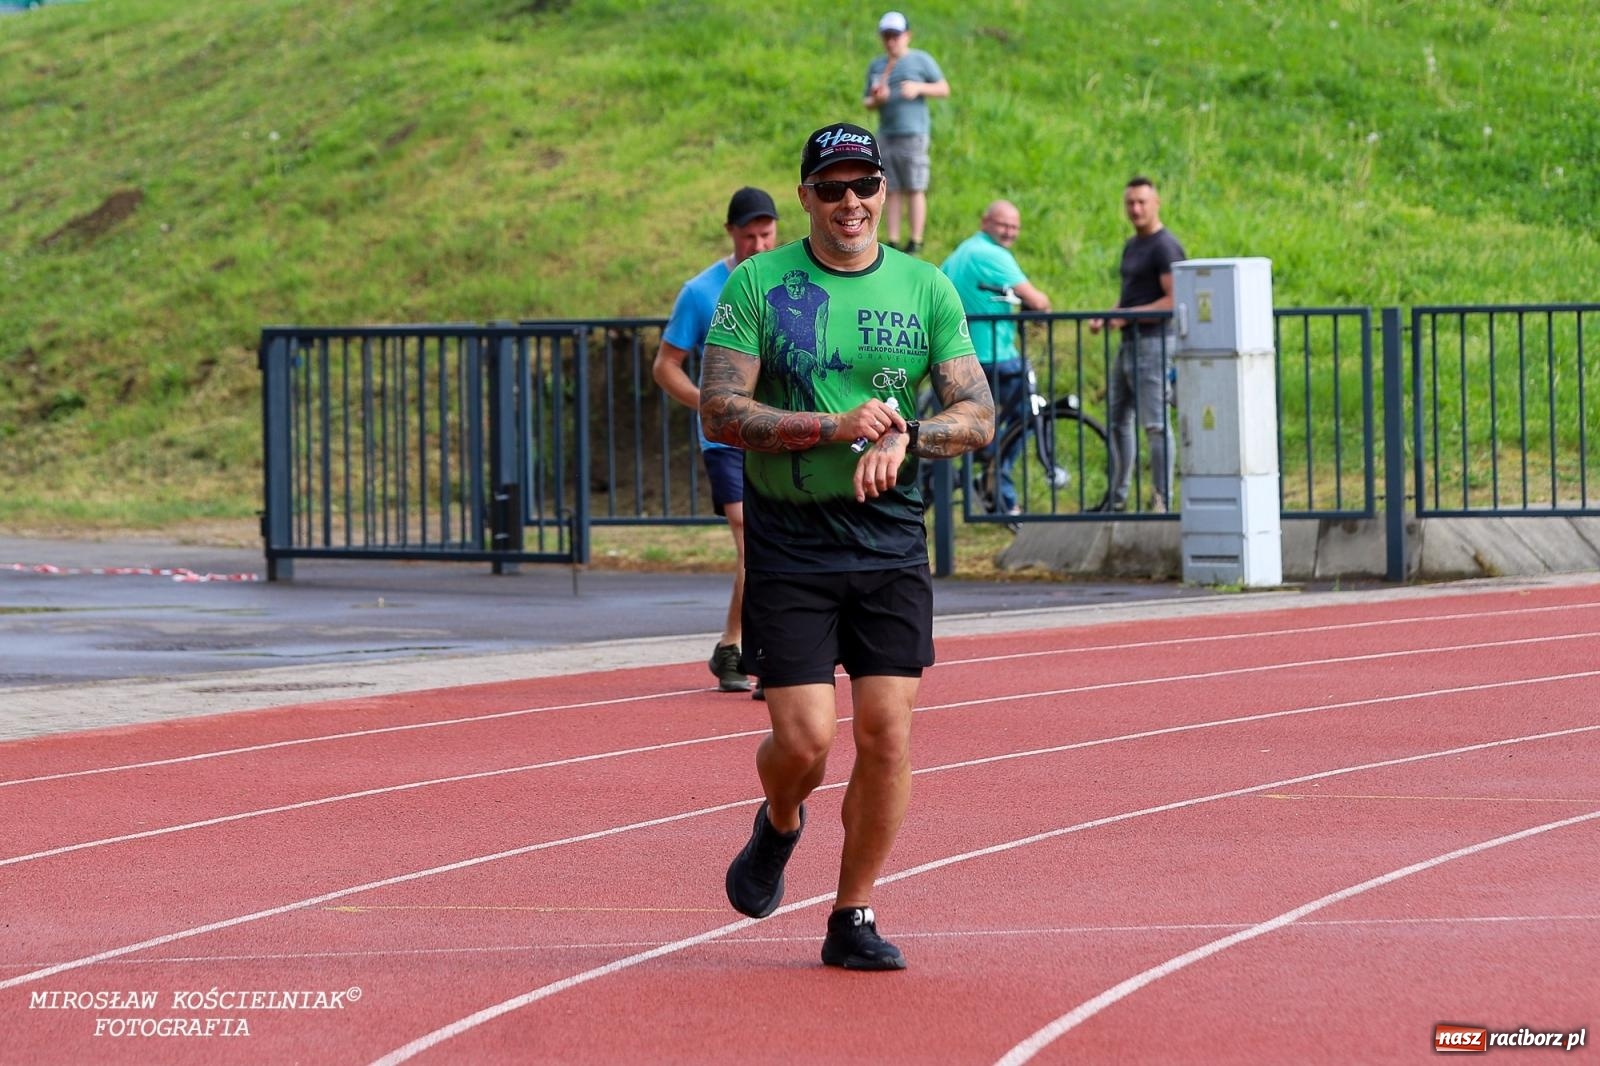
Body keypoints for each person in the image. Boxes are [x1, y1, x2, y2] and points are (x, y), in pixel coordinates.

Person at [699, 121, 993, 971]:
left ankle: (852, 913)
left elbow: (975, 415)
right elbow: (720, 410)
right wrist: (834, 426)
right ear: (806, 198)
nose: (852, 202)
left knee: (887, 733)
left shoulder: (926, 286)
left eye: (865, 185)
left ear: (883, 194)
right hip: (791, 541)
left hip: (890, 540)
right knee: (803, 741)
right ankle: (780, 821)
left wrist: (913, 435)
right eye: (832, 188)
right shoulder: (758, 282)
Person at [652, 187, 780, 694]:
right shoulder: (701, 292)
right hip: (728, 441)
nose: (758, 245)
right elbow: (666, 366)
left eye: (767, 234)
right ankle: (767, 656)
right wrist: (710, 406)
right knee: (753, 536)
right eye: (748, 235)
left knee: (772, 544)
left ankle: (734, 645)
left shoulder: (789, 282)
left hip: (778, 435)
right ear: (731, 232)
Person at [940, 200, 1052, 515]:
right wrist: (1041, 306)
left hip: (962, 355)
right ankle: (993, 470)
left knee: (989, 421)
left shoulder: (960, 253)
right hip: (993, 355)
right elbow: (1038, 300)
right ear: (985, 221)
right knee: (1031, 413)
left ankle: (988, 464)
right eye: (1003, 225)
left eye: (1015, 227)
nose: (1009, 232)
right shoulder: (992, 254)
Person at [1089, 176, 1187, 512]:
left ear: (1156, 203)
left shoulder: (1165, 246)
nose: (1135, 209)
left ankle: (1163, 497)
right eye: (1130, 202)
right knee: (1117, 419)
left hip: (1156, 343)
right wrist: (1108, 316)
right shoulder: (1132, 246)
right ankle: (1117, 497)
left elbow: (1173, 301)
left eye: (1142, 202)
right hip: (1128, 343)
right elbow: (1130, 296)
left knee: (1155, 424)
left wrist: (1127, 315)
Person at [861, 11, 949, 256]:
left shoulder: (920, 60)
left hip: (913, 132)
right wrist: (878, 99)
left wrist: (918, 87)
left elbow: (943, 88)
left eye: (896, 35)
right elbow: (867, 101)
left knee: (915, 185)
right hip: (887, 132)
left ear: (907, 36)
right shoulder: (878, 65)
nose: (891, 41)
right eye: (887, 36)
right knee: (891, 187)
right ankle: (892, 238)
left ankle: (916, 239)